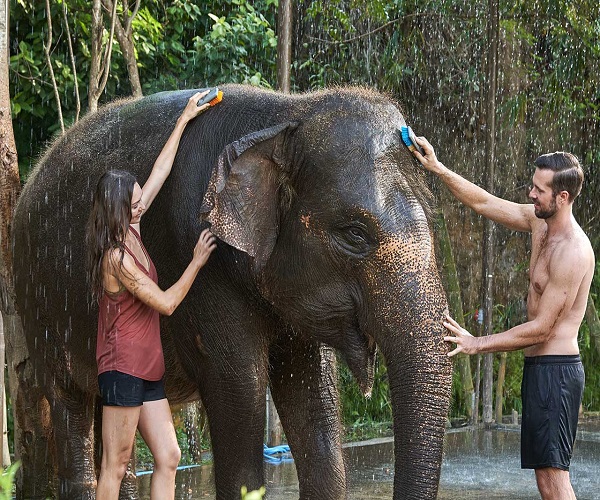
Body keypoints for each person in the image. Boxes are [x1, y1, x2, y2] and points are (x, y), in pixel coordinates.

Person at [412, 137, 595, 500]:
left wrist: (475, 343)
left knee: (554, 478)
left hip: (557, 373)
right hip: (542, 372)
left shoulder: (573, 252)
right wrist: (438, 167)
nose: (530, 194)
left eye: (539, 190)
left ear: (562, 197)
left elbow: (543, 328)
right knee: (547, 477)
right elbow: (482, 202)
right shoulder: (538, 223)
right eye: (532, 185)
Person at [85, 91, 218, 499]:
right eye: (137, 201)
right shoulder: (117, 259)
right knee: (116, 465)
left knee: (170, 454)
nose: (144, 202)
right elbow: (166, 303)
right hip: (122, 368)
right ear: (120, 209)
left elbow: (160, 170)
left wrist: (184, 119)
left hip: (147, 368)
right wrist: (196, 262)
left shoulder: (135, 227)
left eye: (143, 197)